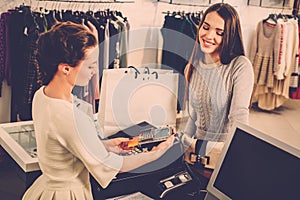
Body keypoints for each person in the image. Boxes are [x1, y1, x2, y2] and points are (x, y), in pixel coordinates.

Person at [22, 21, 174, 200]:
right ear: (65, 68)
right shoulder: (71, 116)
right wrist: (157, 153)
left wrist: (107, 146)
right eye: (90, 65)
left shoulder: (42, 95)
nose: (95, 71)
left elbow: (67, 145)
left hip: (45, 188)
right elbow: (114, 166)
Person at [180, 3, 254, 164]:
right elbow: (194, 116)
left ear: (229, 36)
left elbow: (239, 116)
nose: (208, 36)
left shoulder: (240, 66)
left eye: (219, 32)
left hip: (223, 151)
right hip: (197, 151)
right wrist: (183, 143)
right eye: (206, 27)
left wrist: (239, 154)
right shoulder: (192, 67)